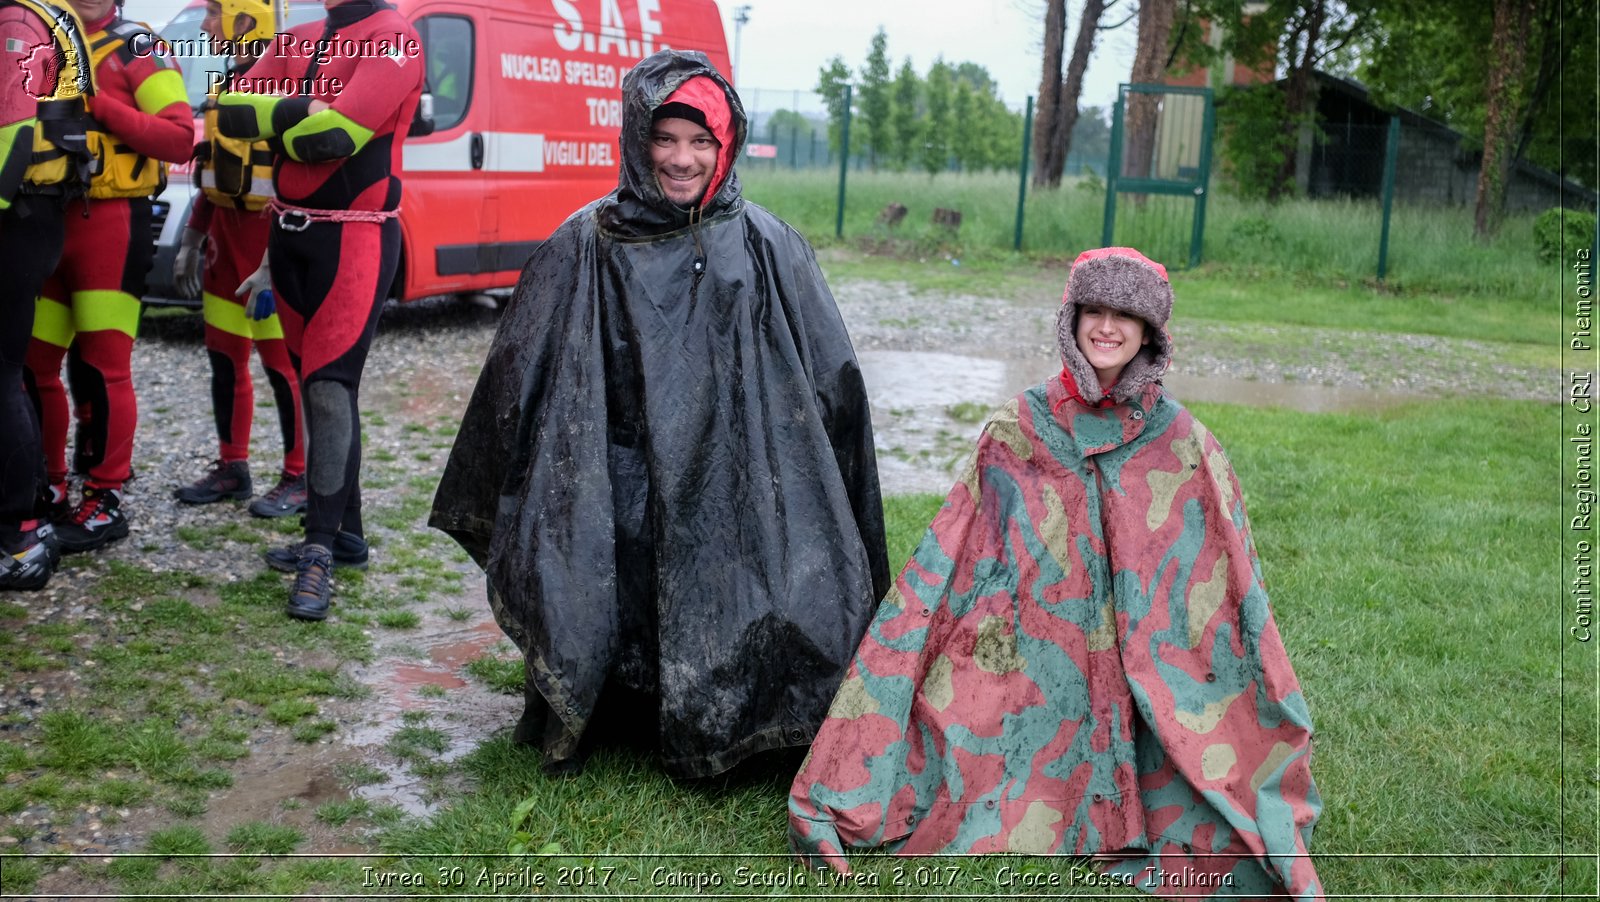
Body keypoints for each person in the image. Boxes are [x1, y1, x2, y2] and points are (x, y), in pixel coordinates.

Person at [789, 247, 1324, 899]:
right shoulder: (1021, 427)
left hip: (1145, 679)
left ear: (1150, 333)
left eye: (1124, 315)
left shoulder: (1183, 442)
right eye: (1093, 311)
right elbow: (949, 566)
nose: (1106, 327)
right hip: (1034, 665)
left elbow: (1229, 598)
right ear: (1070, 320)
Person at [429, 49, 890, 780]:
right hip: (622, 471)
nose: (682, 159)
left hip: (741, 472)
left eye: (700, 140)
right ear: (637, 140)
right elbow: (519, 376)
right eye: (665, 138)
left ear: (726, 144)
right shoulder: (587, 242)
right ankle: (622, 701)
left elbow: (834, 382)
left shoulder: (771, 247)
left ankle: (746, 716)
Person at [215, 0, 424, 620]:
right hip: (289, 238)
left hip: (356, 235)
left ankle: (317, 551)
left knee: (330, 388)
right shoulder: (300, 36)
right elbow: (228, 111)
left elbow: (331, 140)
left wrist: (282, 117)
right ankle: (347, 534)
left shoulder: (395, 39)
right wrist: (301, 110)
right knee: (317, 388)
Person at [24, 0, 190, 554]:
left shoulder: (137, 45)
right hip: (48, 222)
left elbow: (178, 139)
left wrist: (99, 106)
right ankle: (44, 482)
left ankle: (104, 495)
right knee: (35, 365)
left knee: (101, 365)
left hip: (113, 223)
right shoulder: (41, 39)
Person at [171, 0, 307, 519]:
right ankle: (234, 467)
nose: (204, 23)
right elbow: (218, 172)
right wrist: (192, 236)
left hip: (270, 255)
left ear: (245, 18)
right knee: (225, 361)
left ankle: (298, 476)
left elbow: (298, 182)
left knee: (282, 369)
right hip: (224, 252)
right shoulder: (227, 81)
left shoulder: (289, 88)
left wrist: (277, 258)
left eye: (212, 11)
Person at [0, 0, 93, 589]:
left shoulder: (15, 19)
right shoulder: (45, 12)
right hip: (34, 214)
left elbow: (12, 135)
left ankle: (19, 532)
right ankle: (26, 514)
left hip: (18, 217)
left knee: (2, 372)